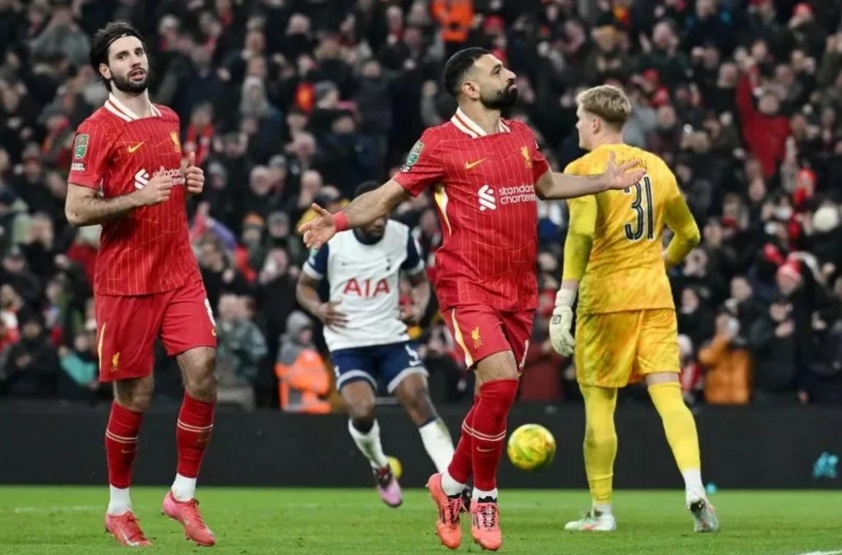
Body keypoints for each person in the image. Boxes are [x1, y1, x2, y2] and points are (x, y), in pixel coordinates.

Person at [300, 47, 644, 552]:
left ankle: (450, 484)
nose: (509, 74)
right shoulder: (439, 143)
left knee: (496, 399)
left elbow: (547, 184)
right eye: (497, 71)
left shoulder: (521, 135)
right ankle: (484, 496)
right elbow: (390, 195)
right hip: (467, 284)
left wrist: (603, 182)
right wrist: (338, 220)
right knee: (501, 385)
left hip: (520, 289)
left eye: (506, 67)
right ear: (468, 87)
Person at [64, 22, 218, 547]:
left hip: (178, 269)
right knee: (138, 393)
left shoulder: (169, 119)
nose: (135, 60)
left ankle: (182, 494)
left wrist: (185, 185)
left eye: (138, 51)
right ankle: (118, 507)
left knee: (204, 369)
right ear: (105, 71)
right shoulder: (96, 129)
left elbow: (162, 189)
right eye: (122, 55)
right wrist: (138, 198)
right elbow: (76, 209)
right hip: (126, 279)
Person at [548, 84, 719, 533]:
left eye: (581, 118)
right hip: (655, 298)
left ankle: (602, 512)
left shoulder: (584, 169)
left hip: (605, 302)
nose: (577, 125)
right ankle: (695, 486)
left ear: (596, 123)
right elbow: (691, 235)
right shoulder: (658, 168)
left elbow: (581, 236)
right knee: (669, 397)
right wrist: (659, 264)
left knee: (600, 406)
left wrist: (563, 300)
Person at [297, 180, 457, 508]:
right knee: (362, 409)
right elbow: (305, 287)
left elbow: (419, 282)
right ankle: (380, 466)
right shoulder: (334, 240)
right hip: (347, 341)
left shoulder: (402, 236)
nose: (381, 220)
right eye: (374, 213)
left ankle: (454, 482)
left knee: (418, 397)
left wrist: (417, 305)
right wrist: (318, 308)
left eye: (386, 212)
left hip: (391, 337)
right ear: (359, 212)